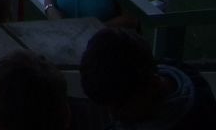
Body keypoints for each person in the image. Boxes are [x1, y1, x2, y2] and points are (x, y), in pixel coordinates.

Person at [80, 26, 216, 130]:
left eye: (120, 106)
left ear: (154, 84)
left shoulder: (199, 119)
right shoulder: (177, 72)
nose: (113, 115)